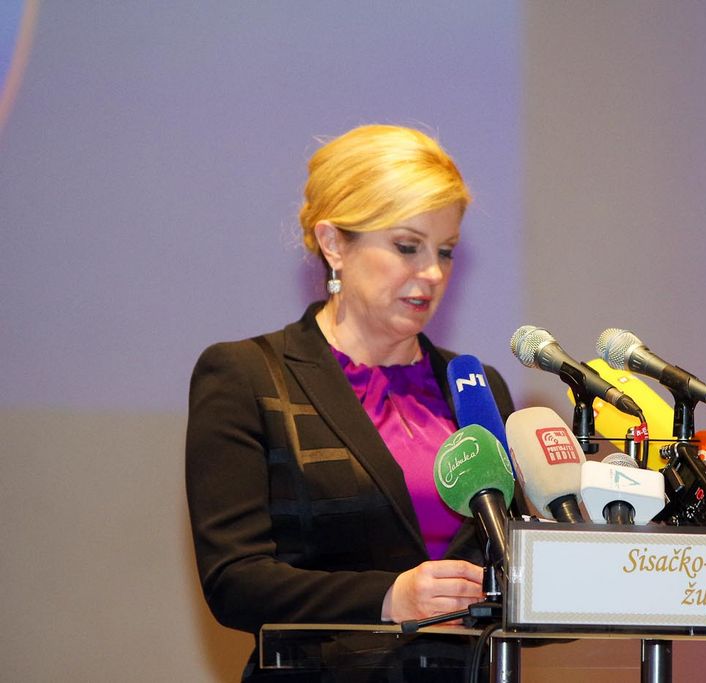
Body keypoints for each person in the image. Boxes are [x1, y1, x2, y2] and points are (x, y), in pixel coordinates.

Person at [185, 125, 514, 680]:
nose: (433, 273)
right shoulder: (248, 376)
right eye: (407, 246)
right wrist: (388, 597)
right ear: (335, 244)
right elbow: (235, 581)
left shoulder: (477, 390)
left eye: (446, 251)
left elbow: (517, 579)